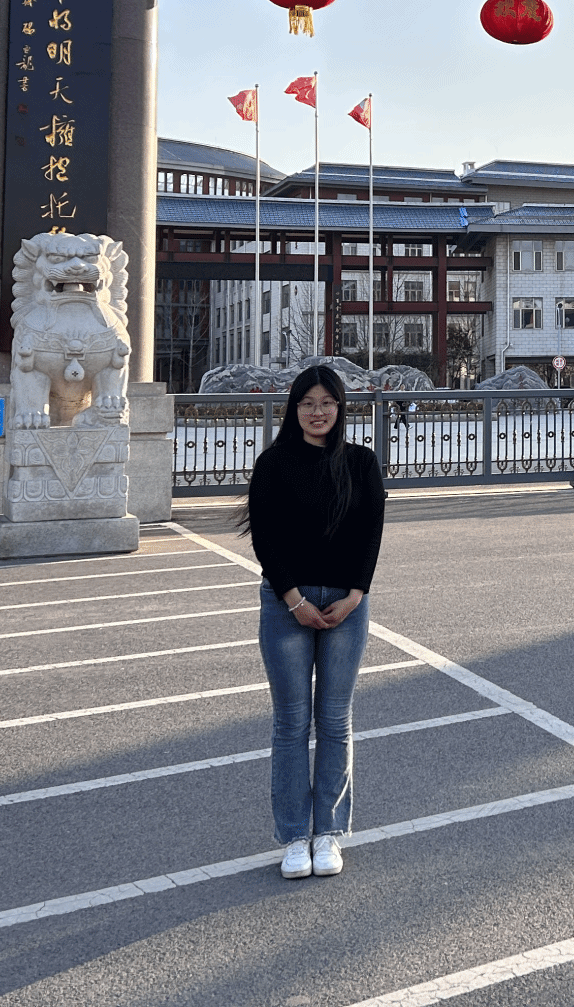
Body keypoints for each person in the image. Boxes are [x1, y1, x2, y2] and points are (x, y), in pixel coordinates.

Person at [242, 364, 387, 879]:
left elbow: (371, 533)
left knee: (334, 720)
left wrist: (355, 596)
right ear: (294, 409)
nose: (317, 412)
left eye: (326, 402)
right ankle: (292, 837)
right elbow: (265, 539)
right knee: (290, 723)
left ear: (340, 407)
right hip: (287, 606)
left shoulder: (361, 462)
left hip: (346, 606)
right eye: (307, 403)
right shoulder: (274, 462)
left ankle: (327, 833)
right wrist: (294, 600)